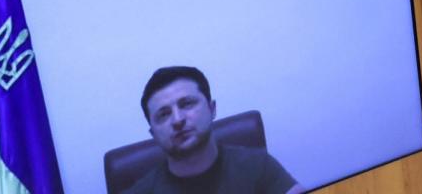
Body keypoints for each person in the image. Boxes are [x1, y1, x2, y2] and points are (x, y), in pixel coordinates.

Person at [123, 66, 303, 194]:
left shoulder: (258, 166)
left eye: (187, 103)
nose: (177, 120)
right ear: (153, 134)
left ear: (212, 109)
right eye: (163, 114)